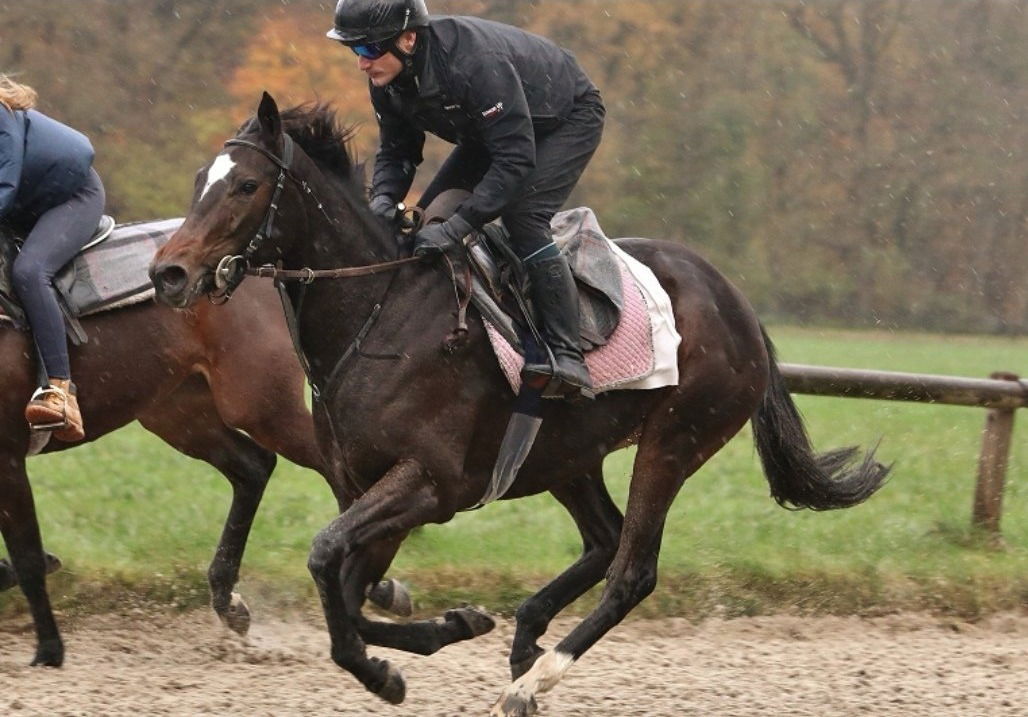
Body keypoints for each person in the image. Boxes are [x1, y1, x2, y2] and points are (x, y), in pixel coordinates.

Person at [327, 0, 605, 397]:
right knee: (426, 222)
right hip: (492, 131)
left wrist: (459, 227)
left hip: (565, 119)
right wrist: (384, 201)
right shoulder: (386, 80)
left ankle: (566, 352)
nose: (362, 63)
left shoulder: (474, 64)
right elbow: (397, 152)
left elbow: (514, 161)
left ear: (408, 40)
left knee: (522, 218)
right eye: (354, 50)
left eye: (369, 49)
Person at [0, 74, 105, 441]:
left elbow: (5, 184)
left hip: (73, 195)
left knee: (29, 271)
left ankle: (60, 390)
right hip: (29, 202)